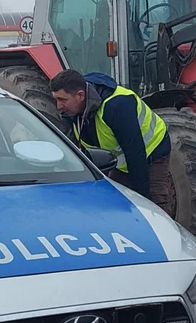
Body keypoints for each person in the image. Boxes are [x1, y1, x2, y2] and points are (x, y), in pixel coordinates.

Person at [49, 69, 174, 216]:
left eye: (62, 100)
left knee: (153, 207)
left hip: (151, 153)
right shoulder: (74, 110)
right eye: (56, 99)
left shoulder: (117, 105)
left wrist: (144, 203)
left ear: (80, 95)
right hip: (119, 160)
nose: (58, 106)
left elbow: (135, 153)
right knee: (114, 202)